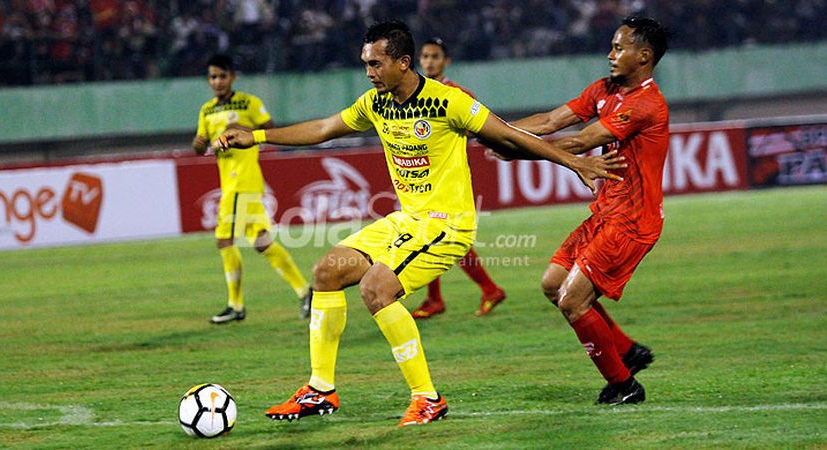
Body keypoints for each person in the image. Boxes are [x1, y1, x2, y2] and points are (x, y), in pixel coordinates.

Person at [217, 21, 624, 426]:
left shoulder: (448, 102)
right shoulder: (375, 104)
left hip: (447, 225)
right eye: (365, 63)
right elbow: (324, 128)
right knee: (327, 271)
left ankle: (427, 399)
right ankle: (320, 389)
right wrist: (256, 137)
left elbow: (511, 135)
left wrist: (574, 161)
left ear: (403, 62)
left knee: (376, 289)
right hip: (407, 219)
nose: (369, 72)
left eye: (376, 64)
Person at [492, 16, 670, 405]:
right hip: (606, 212)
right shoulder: (605, 89)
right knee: (553, 285)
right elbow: (552, 121)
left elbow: (582, 140)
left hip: (632, 222)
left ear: (643, 56)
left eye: (619, 48)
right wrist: (497, 131)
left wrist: (515, 151)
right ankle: (626, 352)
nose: (610, 54)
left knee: (574, 301)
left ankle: (625, 387)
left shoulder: (645, 105)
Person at [193, 54, 312, 324]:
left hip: (242, 181)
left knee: (224, 240)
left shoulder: (249, 103)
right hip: (233, 182)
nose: (217, 81)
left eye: (222, 76)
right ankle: (305, 291)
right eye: (213, 77)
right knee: (261, 242)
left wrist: (242, 128)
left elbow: (270, 130)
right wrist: (200, 142)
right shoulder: (207, 110)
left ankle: (235, 305)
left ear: (233, 77)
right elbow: (199, 146)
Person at [410, 37, 506, 319]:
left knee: (432, 237)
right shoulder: (413, 92)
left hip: (448, 180)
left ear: (446, 61)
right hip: (422, 179)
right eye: (425, 56)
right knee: (433, 238)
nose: (429, 61)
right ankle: (472, 293)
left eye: (435, 56)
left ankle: (443, 298)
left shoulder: (459, 94)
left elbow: (480, 128)